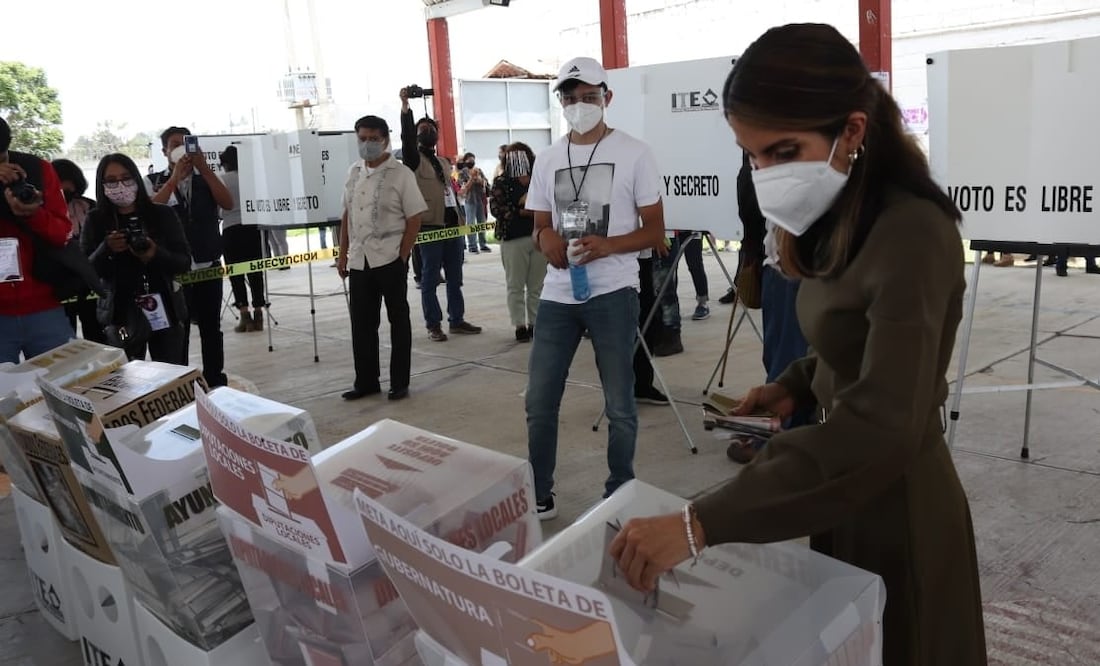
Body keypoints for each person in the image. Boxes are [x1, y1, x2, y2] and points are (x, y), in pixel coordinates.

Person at [609, 24, 987, 665]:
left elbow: (883, 422)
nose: (764, 173)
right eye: (752, 156)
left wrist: (700, 523)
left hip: (900, 507)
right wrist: (796, 384)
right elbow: (855, 337)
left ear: (854, 132)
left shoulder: (913, 232)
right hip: (841, 496)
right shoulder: (842, 216)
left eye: (783, 151)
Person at [525, 57, 666, 519]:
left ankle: (619, 489)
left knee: (620, 403)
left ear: (607, 97)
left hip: (613, 291)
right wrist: (547, 241)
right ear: (560, 103)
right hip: (557, 295)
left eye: (588, 96)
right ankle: (539, 492)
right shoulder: (548, 158)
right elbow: (540, 225)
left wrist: (607, 246)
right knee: (540, 400)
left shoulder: (635, 152)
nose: (579, 105)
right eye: (570, 98)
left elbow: (655, 234)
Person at [725, 150, 815, 464]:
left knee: (788, 358)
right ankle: (776, 431)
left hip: (793, 267)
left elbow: (752, 204)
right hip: (776, 261)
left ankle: (779, 441)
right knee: (780, 355)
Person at [337, 115, 426, 402]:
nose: (368, 144)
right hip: (359, 260)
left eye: (373, 139)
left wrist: (403, 255)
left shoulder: (401, 174)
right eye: (362, 138)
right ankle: (366, 381)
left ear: (386, 139)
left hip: (389, 258)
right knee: (361, 324)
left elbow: (415, 217)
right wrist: (342, 254)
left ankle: (399, 382)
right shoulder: (353, 172)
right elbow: (347, 214)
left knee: (398, 320)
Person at [82, 154, 191, 362]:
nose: (120, 185)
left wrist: (155, 253)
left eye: (126, 177)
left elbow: (183, 262)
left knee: (172, 376)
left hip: (165, 308)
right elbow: (87, 272)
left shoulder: (162, 214)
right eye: (111, 181)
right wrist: (107, 248)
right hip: (120, 313)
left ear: (136, 178)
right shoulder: (96, 219)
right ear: (102, 185)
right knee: (128, 383)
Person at [148, 127, 233, 386]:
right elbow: (150, 212)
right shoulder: (152, 180)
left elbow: (228, 203)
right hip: (174, 268)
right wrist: (174, 179)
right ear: (165, 151)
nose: (182, 149)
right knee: (178, 330)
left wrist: (204, 169)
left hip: (208, 262)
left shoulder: (206, 178)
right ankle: (180, 381)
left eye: (187, 143)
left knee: (211, 328)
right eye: (175, 145)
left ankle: (215, 378)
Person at [399, 88, 482, 342]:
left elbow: (451, 191)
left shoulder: (444, 162)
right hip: (429, 226)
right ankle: (433, 324)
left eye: (430, 128)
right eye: (422, 129)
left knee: (455, 277)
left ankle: (456, 320)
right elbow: (406, 138)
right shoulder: (413, 160)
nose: (429, 132)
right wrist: (405, 107)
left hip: (452, 226)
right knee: (430, 279)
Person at [0, 117, 74, 362]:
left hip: (44, 305)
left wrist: (33, 214)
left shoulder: (36, 169)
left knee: (64, 388)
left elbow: (62, 233)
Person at [488, 143, 545, 342]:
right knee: (515, 285)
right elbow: (497, 209)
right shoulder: (501, 182)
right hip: (512, 239)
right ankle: (520, 324)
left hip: (538, 237)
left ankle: (535, 323)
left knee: (537, 285)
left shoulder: (538, 179)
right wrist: (523, 212)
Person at [53, 158, 104, 342]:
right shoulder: (43, 211)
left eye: (70, 188)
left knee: (98, 337)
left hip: (90, 283)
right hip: (60, 287)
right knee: (64, 343)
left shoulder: (90, 207)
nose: (67, 192)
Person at [217, 147, 266, 333]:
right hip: (253, 228)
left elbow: (217, 209)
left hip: (231, 229)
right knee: (255, 271)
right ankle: (259, 312)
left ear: (225, 163)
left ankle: (244, 315)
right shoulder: (251, 178)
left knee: (236, 273)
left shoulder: (222, 179)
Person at [458, 152, 491, 253]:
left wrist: (479, 179)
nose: (472, 162)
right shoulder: (462, 173)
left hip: (480, 199)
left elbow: (486, 183)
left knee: (481, 222)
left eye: (473, 159)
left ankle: (483, 244)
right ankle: (472, 245)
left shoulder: (478, 170)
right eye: (469, 160)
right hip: (469, 200)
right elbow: (463, 188)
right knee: (471, 223)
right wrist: (472, 179)